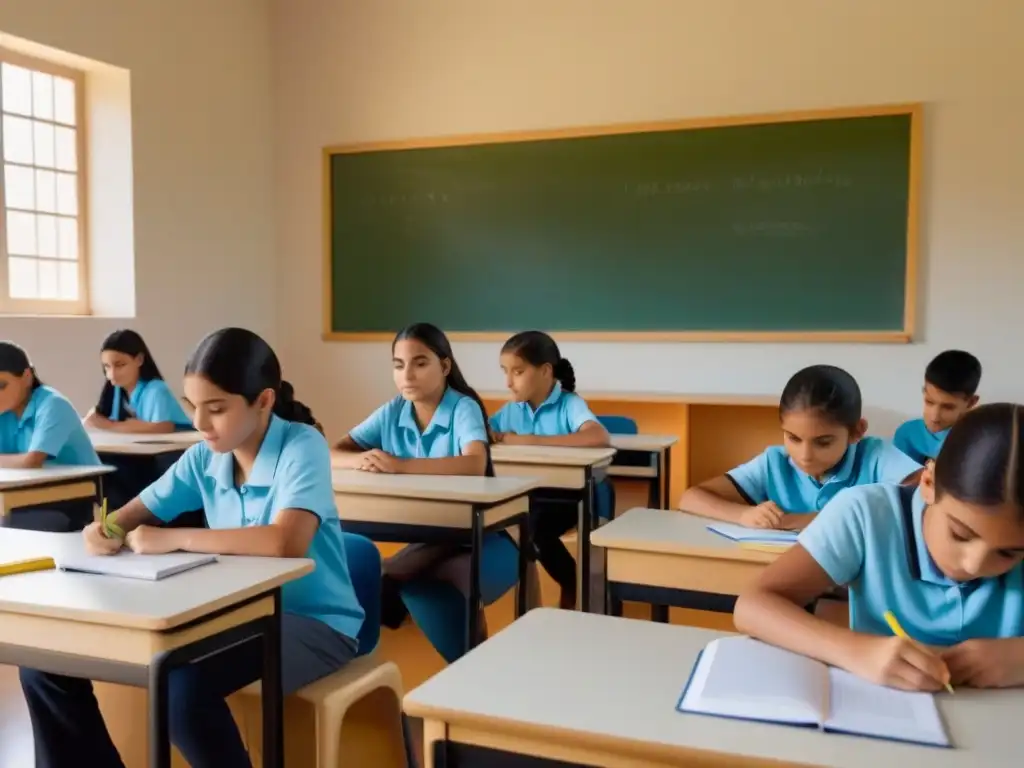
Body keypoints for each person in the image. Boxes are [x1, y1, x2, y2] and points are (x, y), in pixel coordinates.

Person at [18, 328, 364, 768]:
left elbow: (285, 540)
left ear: (263, 401)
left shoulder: (302, 444)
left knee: (181, 688)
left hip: (311, 624)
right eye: (192, 407)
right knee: (46, 663)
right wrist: (104, 528)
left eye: (216, 409)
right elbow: (132, 513)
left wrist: (175, 538)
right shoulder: (207, 455)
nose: (200, 424)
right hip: (229, 612)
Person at [735, 403, 1024, 691]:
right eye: (960, 534)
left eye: (1009, 552)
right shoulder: (866, 514)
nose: (974, 564)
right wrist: (856, 651)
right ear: (928, 482)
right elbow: (753, 606)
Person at [332, 322, 519, 660]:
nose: (408, 375)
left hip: (471, 528)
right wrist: (362, 459)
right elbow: (334, 451)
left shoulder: (463, 407)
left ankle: (391, 578)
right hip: (423, 528)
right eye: (398, 365)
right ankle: (385, 591)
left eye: (420, 363)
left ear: (444, 366)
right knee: (367, 554)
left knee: (400, 568)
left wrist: (399, 465)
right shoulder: (393, 411)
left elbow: (474, 463)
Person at [678, 365, 921, 530]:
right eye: (793, 438)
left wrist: (801, 520)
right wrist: (743, 515)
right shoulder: (774, 463)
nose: (804, 456)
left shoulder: (875, 456)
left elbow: (927, 496)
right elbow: (690, 498)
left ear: (856, 431)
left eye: (823, 442)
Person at [490, 330, 611, 608]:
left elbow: (598, 437)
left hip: (567, 497)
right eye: (504, 372)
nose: (508, 382)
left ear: (545, 371)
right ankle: (528, 599)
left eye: (518, 372)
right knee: (512, 521)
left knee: (534, 529)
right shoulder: (512, 410)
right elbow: (484, 431)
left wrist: (528, 440)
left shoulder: (569, 403)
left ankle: (571, 582)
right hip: (527, 493)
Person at [0, 341, 101, 530]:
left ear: (27, 377)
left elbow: (32, 461)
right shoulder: (4, 411)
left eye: (1, 385)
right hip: (24, 494)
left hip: (71, 501)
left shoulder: (53, 405)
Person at [84, 329, 193, 433]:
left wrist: (110, 425)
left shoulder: (157, 390)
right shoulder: (117, 390)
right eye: (107, 366)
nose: (112, 374)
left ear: (139, 360)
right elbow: (95, 417)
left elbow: (163, 427)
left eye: (120, 365)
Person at [893, 349, 982, 464]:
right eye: (929, 402)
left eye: (948, 407)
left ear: (971, 403)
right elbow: (896, 479)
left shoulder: (977, 439)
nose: (934, 417)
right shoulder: (907, 434)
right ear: (924, 392)